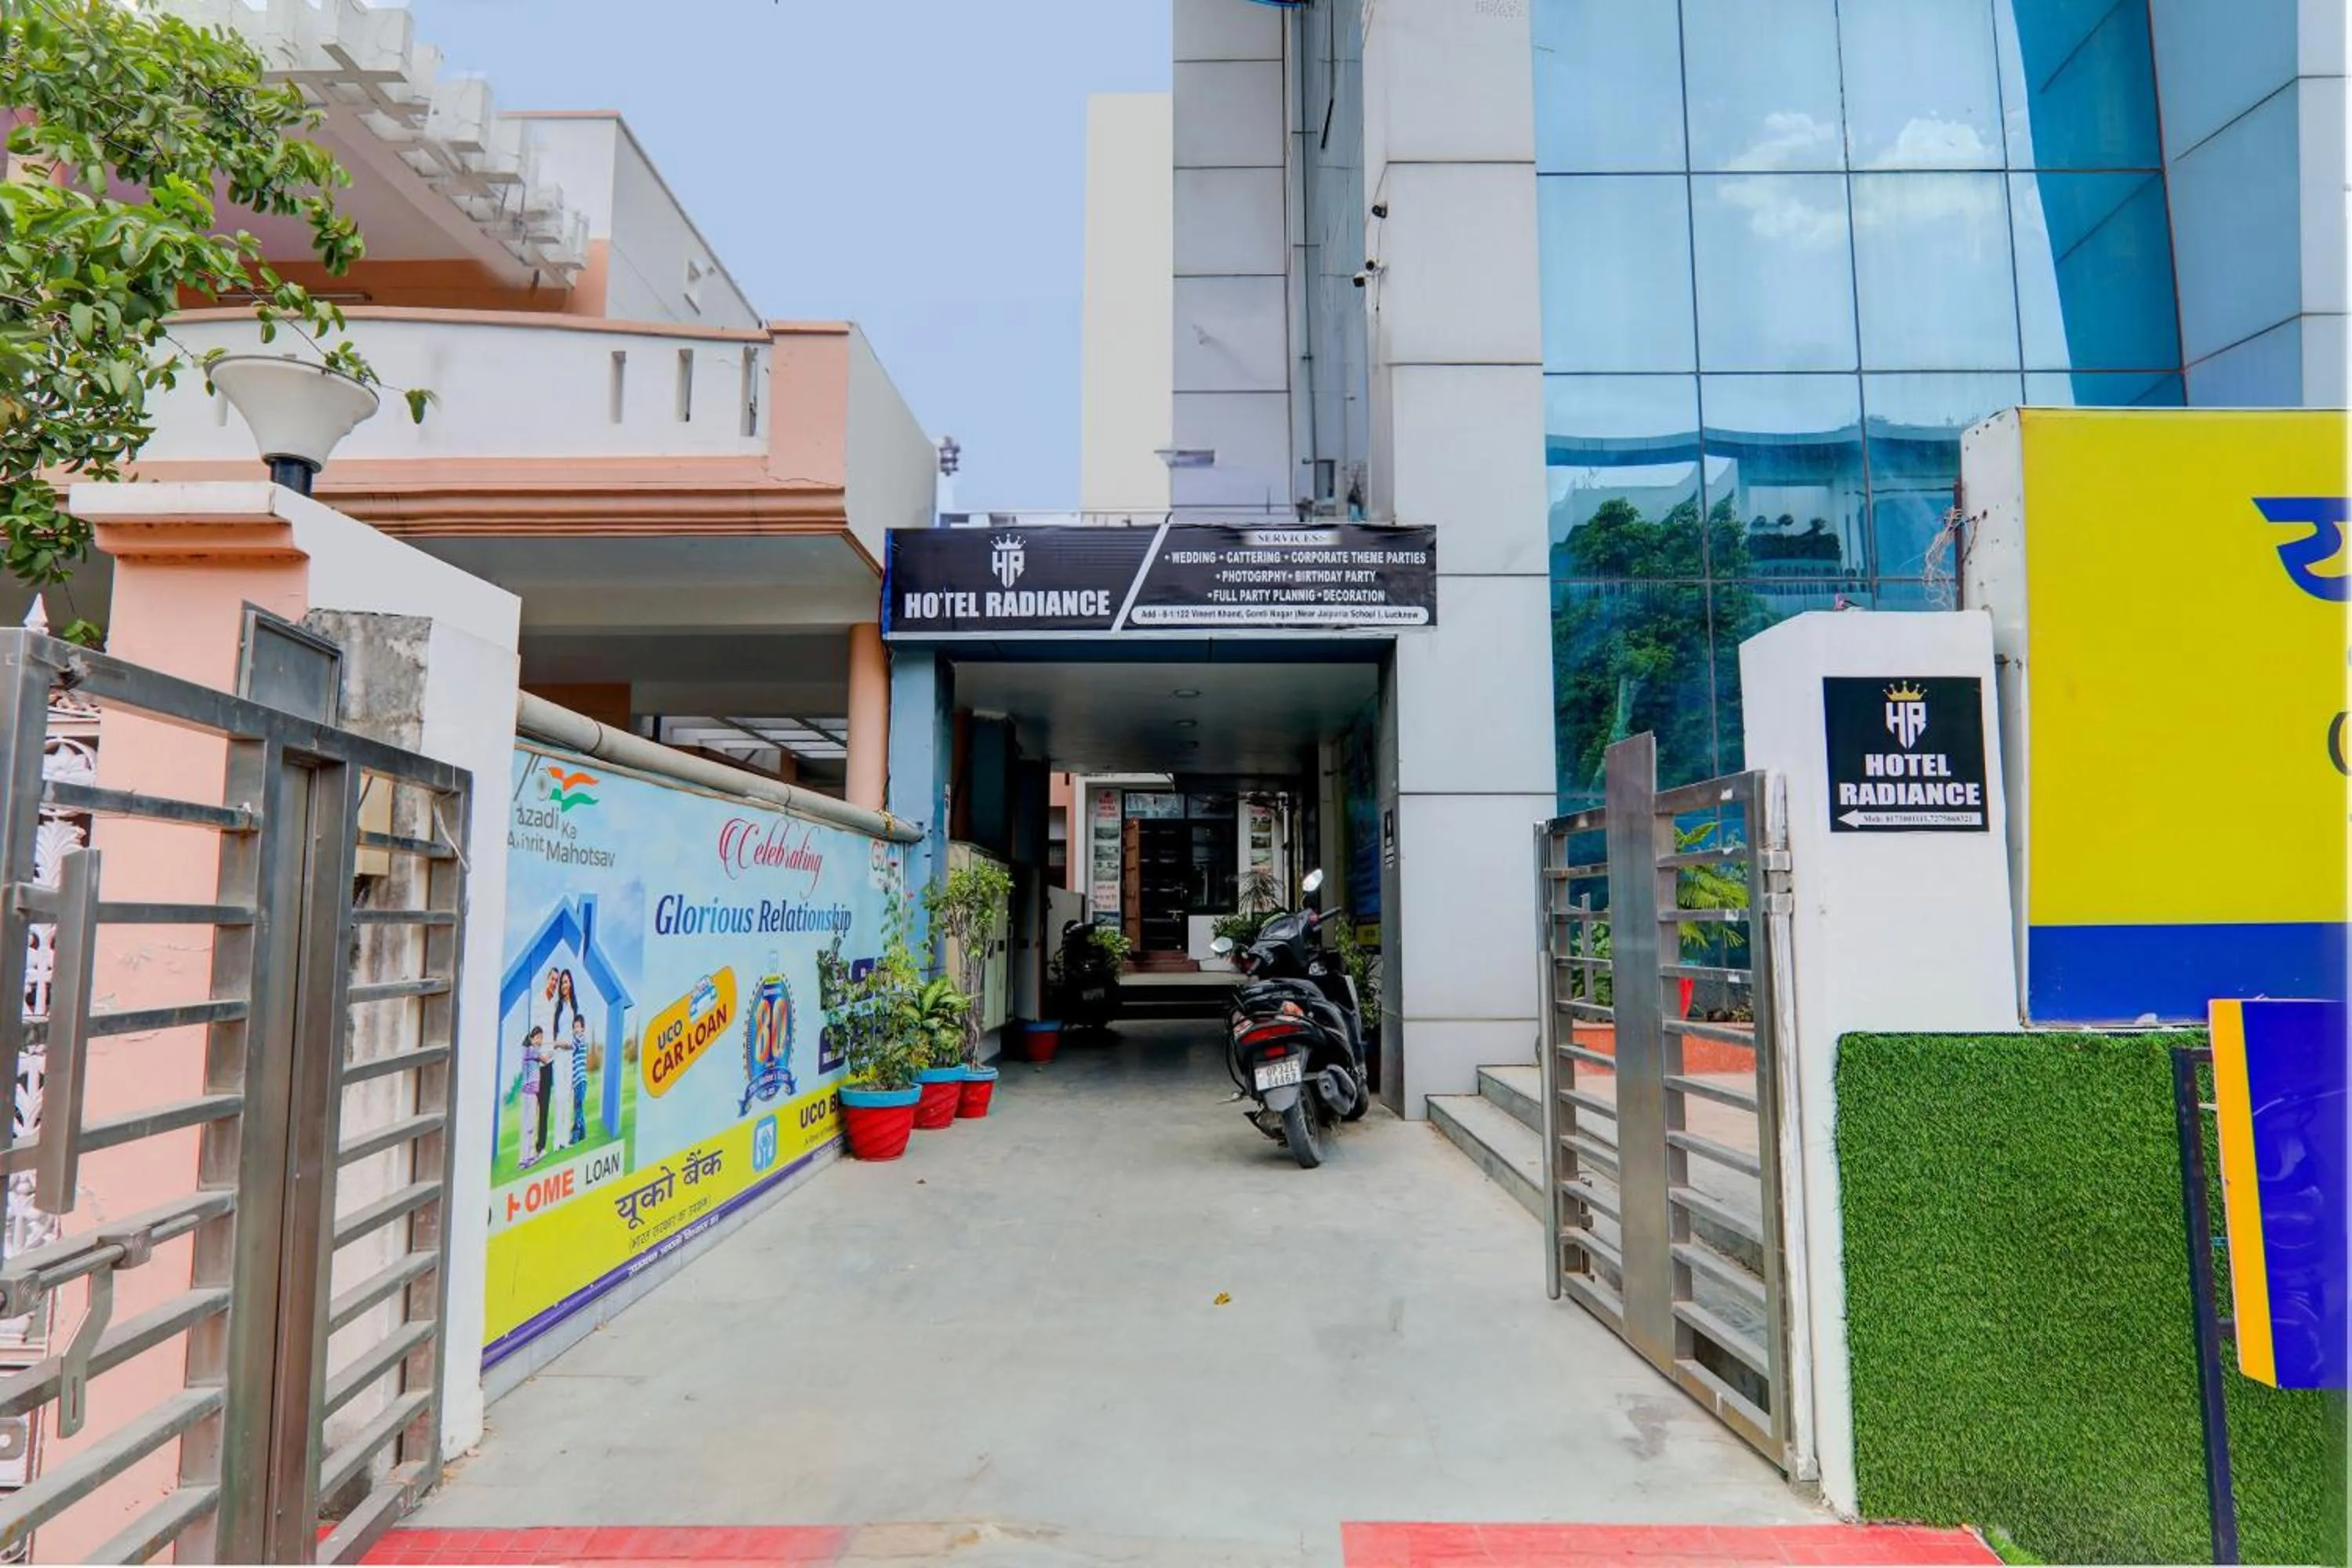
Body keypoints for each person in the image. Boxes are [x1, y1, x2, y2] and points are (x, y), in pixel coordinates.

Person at [517, 1024, 546, 1170]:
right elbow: (545, 1059)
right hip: (530, 1094)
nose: (540, 1040)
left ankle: (523, 1159)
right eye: (537, 1038)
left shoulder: (527, 1051)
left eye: (541, 1038)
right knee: (530, 1126)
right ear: (532, 1038)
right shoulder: (533, 1051)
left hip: (526, 1093)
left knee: (526, 1126)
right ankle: (528, 1158)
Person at [566, 1014, 593, 1147]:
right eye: (574, 1027)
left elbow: (570, 1046)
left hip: (581, 1080)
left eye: (578, 1027)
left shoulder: (580, 1039)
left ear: (583, 1029)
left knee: (578, 1108)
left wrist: (557, 1044)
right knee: (579, 1108)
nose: (576, 1029)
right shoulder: (578, 1039)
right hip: (578, 1081)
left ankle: (575, 1136)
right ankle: (583, 1134)